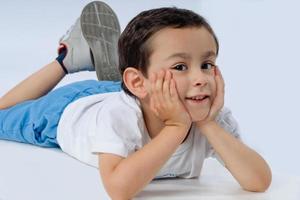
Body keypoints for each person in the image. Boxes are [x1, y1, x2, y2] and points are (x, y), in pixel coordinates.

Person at [0, 1, 272, 199]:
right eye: (180, 67)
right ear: (138, 82)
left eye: (207, 64)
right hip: (70, 111)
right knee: (2, 114)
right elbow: (119, 189)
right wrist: (176, 128)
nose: (200, 78)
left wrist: (209, 125)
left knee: (127, 87)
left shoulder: (211, 117)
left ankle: (116, 66)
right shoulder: (119, 117)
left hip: (131, 91)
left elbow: (259, 181)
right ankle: (68, 60)